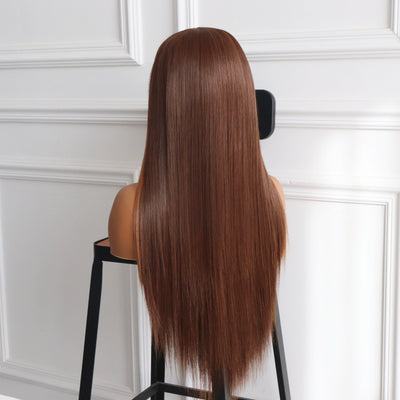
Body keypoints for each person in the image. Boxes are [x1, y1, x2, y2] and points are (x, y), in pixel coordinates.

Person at [108, 27, 287, 397]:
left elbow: (122, 247)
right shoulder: (273, 197)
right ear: (242, 101)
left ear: (163, 104)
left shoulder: (131, 207)